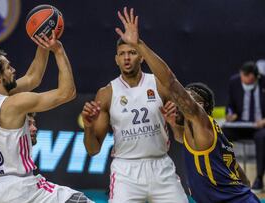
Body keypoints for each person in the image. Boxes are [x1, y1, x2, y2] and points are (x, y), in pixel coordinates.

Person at [108, 7, 260, 203]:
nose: (184, 99)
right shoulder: (205, 133)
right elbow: (241, 176)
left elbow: (171, 82)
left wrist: (139, 44)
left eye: (191, 96)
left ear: (202, 105)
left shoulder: (199, 117)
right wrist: (173, 124)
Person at [0, 30, 93, 203]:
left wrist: (44, 44)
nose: (13, 70)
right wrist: (58, 51)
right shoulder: (14, 104)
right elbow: (67, 93)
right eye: (8, 68)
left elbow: (32, 78)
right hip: (20, 189)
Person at [81, 8, 187, 203]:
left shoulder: (159, 84)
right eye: (122, 54)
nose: (127, 58)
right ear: (116, 59)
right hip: (126, 172)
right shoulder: (106, 93)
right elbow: (92, 149)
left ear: (142, 57)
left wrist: (174, 124)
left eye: (132, 52)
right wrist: (88, 127)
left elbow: (181, 137)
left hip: (160, 166)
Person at [225, 61, 265, 193]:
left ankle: (258, 178)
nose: (243, 79)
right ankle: (226, 175)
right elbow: (230, 105)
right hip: (240, 125)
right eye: (242, 76)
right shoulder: (234, 82)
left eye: (246, 77)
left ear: (255, 77)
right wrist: (230, 114)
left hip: (260, 127)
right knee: (222, 133)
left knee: (262, 137)